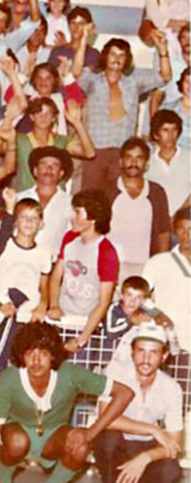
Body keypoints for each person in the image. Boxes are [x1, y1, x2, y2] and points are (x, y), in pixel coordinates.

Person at [0, 322, 135, 483]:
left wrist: (90, 433)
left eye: (43, 353)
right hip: (18, 436)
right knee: (17, 441)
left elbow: (124, 393)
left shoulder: (69, 373)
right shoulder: (10, 379)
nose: (36, 360)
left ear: (53, 354)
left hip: (53, 437)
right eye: (29, 353)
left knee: (80, 446)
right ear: (21, 355)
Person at [94, 323, 184, 483]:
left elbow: (176, 444)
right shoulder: (116, 373)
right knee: (107, 438)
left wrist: (145, 458)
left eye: (153, 353)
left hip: (144, 447)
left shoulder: (172, 388)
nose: (146, 359)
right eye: (141, 351)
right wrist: (153, 429)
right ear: (132, 352)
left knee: (172, 470)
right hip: (117, 443)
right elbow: (106, 419)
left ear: (164, 356)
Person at [74, 30, 172, 193]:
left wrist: (163, 51)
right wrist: (84, 39)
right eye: (113, 54)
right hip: (95, 151)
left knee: (119, 200)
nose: (117, 58)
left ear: (127, 60)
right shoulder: (93, 81)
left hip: (123, 152)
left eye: (122, 55)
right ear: (105, 56)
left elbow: (164, 76)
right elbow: (76, 72)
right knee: (90, 199)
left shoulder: (133, 83)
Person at [47, 191, 120, 353]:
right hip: (61, 321)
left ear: (93, 217)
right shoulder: (69, 239)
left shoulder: (106, 252)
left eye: (78, 212)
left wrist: (82, 339)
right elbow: (55, 277)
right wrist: (54, 305)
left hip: (86, 326)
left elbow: (103, 302)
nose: (72, 216)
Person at [103, 137, 173, 279]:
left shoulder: (156, 192)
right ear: (121, 162)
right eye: (129, 157)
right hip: (111, 265)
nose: (133, 163)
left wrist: (159, 265)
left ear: (147, 164)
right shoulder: (107, 192)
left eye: (139, 158)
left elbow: (164, 232)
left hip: (145, 267)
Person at [142, 207, 191, 351]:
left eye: (190, 229)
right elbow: (138, 294)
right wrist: (156, 313)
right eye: (181, 228)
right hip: (168, 341)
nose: (186, 234)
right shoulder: (159, 262)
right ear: (175, 230)